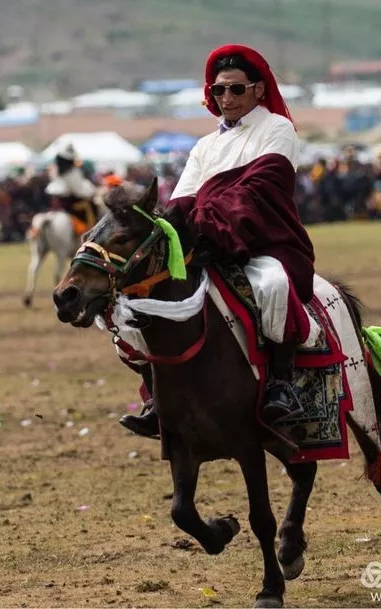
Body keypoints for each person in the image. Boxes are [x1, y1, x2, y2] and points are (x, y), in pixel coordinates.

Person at [120, 44, 316, 438]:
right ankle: (158, 394)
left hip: (264, 240)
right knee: (137, 299)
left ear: (259, 90)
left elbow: (260, 192)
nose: (225, 98)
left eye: (236, 89)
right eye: (218, 91)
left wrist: (208, 224)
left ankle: (280, 383)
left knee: (274, 285)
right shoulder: (204, 145)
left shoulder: (277, 129)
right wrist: (169, 233)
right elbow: (182, 199)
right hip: (206, 240)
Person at [45, 144, 97, 235]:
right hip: (70, 203)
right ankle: (92, 231)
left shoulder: (55, 169)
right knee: (89, 206)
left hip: (55, 202)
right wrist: (90, 192)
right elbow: (78, 191)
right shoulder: (72, 172)